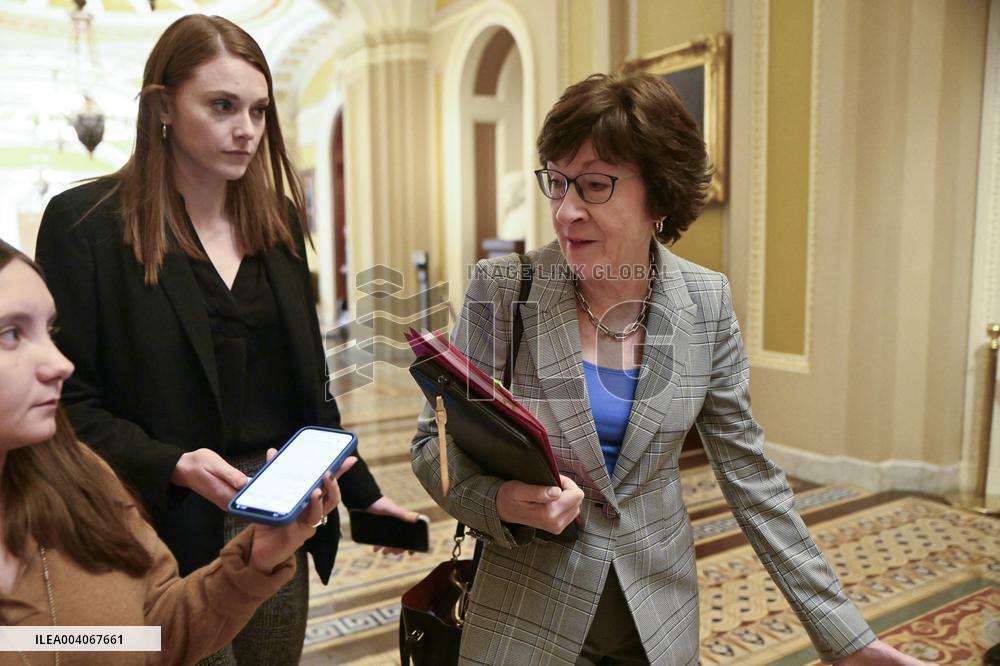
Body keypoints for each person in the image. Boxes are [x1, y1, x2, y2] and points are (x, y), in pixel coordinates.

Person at [412, 73, 929, 665]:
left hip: (654, 621)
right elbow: (434, 447)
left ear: (658, 195)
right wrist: (501, 501)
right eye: (556, 183)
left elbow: (750, 477)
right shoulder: (504, 291)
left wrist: (847, 638)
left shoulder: (706, 304)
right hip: (526, 620)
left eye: (595, 185)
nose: (567, 211)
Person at [34, 14, 417, 666]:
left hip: (278, 518)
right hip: (156, 523)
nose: (247, 129)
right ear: (162, 108)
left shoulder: (278, 220)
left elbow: (309, 385)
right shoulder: (86, 226)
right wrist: (173, 463)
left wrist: (362, 493)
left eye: (259, 110)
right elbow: (71, 407)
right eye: (222, 106)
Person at [0, 240, 351, 665]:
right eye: (11, 335)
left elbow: (149, 637)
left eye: (49, 331)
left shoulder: (80, 477)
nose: (60, 363)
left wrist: (254, 563)